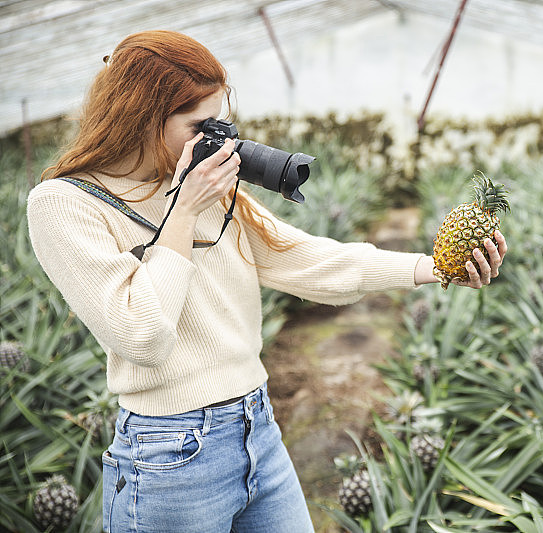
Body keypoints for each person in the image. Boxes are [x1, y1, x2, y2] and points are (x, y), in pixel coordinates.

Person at [26, 30, 507, 532]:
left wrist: (433, 267)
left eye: (218, 120)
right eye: (198, 125)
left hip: (258, 427)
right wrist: (185, 206)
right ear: (143, 118)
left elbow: (300, 257)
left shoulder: (195, 181)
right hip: (168, 456)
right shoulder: (65, 204)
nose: (213, 139)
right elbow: (141, 334)